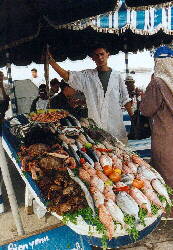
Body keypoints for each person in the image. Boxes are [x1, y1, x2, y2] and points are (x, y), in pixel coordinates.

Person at [48, 46, 133, 144]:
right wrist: (52, 62)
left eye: (102, 54)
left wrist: (134, 119)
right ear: (93, 58)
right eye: (96, 55)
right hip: (96, 131)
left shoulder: (117, 76)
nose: (100, 57)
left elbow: (125, 100)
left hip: (116, 128)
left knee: (123, 156)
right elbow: (68, 76)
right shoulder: (87, 76)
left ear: (108, 55)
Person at [140, 46, 173, 191]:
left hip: (165, 138)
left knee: (166, 175)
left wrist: (144, 97)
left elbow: (146, 110)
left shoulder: (157, 83)